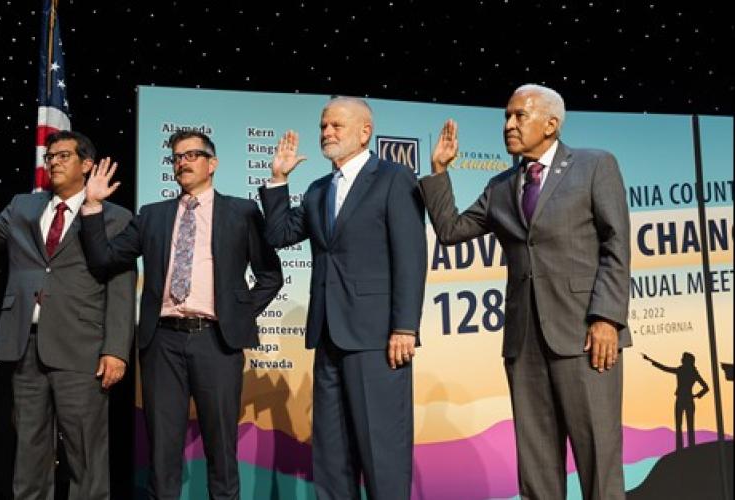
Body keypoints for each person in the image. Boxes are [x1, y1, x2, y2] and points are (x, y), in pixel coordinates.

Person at [420, 84, 631, 499]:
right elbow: (450, 231)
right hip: (524, 343)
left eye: (520, 116)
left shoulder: (594, 166)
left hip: (586, 338)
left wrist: (607, 317)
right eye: (506, 116)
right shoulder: (501, 187)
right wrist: (440, 172)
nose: (509, 125)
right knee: (536, 471)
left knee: (598, 465)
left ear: (551, 124)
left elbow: (616, 244)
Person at [78, 130, 283, 500]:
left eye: (191, 155)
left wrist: (236, 314)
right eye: (176, 157)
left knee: (221, 448)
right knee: (162, 452)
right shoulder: (153, 215)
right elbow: (104, 259)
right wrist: (92, 208)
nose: (182, 162)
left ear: (212, 163)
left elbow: (271, 276)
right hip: (162, 344)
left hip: (216, 342)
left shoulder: (242, 212)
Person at [0, 131, 137, 499]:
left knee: (85, 454)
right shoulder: (23, 207)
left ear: (87, 164)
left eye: (63, 156)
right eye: (50, 157)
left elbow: (121, 288)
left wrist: (116, 349)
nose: (54, 162)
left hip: (82, 348)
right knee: (30, 449)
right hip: (25, 346)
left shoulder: (114, 217)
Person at [259, 97, 427, 500]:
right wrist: (279, 181)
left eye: (336, 125)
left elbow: (411, 256)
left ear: (364, 131)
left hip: (377, 336)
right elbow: (279, 235)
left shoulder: (393, 178)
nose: (327, 133)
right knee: (332, 454)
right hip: (328, 334)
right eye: (323, 126)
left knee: (381, 449)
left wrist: (405, 326)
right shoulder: (318, 190)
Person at [643, 352, 710, 449]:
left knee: (680, 425)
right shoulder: (692, 372)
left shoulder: (682, 371)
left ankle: (681, 447)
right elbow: (706, 388)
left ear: (686, 361)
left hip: (682, 400)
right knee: (687, 425)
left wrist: (697, 395)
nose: (681, 359)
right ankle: (689, 446)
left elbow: (665, 368)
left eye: (683, 358)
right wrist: (696, 395)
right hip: (688, 400)